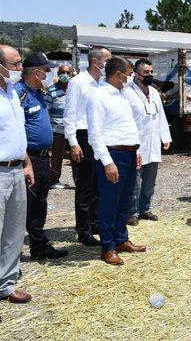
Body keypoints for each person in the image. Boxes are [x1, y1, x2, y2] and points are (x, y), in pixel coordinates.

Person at [87, 57, 146, 265]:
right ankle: (108, 247)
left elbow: (125, 126)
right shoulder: (98, 96)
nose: (131, 77)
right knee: (109, 202)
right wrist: (107, 162)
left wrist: (136, 151)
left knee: (125, 201)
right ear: (118, 74)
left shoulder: (122, 94)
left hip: (128, 153)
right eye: (129, 73)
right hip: (112, 155)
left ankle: (121, 239)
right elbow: (95, 134)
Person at [15, 53, 69, 260]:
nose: (50, 74)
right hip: (29, 159)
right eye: (46, 70)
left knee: (39, 204)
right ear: (36, 73)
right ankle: (13, 254)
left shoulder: (38, 92)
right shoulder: (19, 94)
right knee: (24, 206)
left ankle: (39, 247)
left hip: (43, 158)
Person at [64, 46, 112, 247]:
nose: (109, 64)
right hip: (83, 136)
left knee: (98, 186)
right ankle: (83, 231)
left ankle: (94, 224)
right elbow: (70, 115)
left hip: (99, 136)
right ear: (95, 62)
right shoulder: (78, 83)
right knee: (84, 187)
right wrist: (73, 143)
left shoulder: (102, 83)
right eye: (107, 60)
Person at [0, 45, 34, 304]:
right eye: (14, 64)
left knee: (14, 231)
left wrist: (27, 162)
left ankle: (6, 284)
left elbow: (17, 133)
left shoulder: (12, 92)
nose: (19, 69)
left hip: (16, 169)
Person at [124, 58, 171, 225]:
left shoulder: (154, 93)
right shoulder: (127, 93)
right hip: (135, 144)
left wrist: (165, 137)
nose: (149, 75)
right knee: (134, 181)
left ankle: (145, 208)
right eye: (146, 73)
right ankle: (131, 212)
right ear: (136, 75)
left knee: (150, 181)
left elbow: (161, 117)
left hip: (153, 143)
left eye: (151, 72)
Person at [46, 62, 77, 189]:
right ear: (58, 74)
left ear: (72, 74)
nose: (65, 75)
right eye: (62, 72)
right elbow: (46, 110)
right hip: (57, 131)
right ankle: (54, 181)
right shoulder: (52, 90)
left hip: (73, 130)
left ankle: (79, 181)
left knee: (76, 157)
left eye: (67, 72)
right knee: (57, 157)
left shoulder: (75, 89)